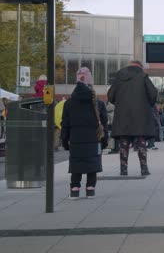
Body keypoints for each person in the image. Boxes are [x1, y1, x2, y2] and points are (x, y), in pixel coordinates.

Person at [61, 67, 108, 199]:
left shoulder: (69, 103)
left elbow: (65, 124)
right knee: (92, 162)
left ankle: (75, 189)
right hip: (93, 139)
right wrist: (104, 141)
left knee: (76, 164)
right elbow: (104, 124)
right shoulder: (97, 103)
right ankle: (90, 188)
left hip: (76, 139)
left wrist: (65, 141)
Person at [107, 60, 158, 176]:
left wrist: (119, 103)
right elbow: (153, 94)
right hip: (140, 116)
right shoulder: (143, 76)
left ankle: (123, 169)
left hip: (122, 116)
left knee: (124, 142)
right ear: (140, 67)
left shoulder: (119, 76)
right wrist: (147, 104)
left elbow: (110, 95)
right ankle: (144, 168)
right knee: (141, 142)